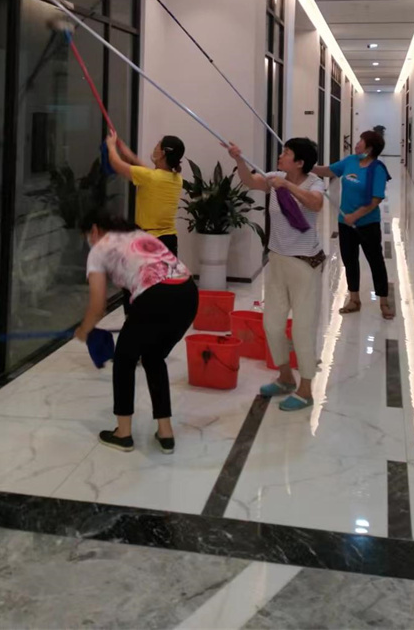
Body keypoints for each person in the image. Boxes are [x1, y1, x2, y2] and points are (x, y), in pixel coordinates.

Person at [74, 212, 198, 453]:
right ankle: (165, 433)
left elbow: (98, 306)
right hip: (188, 295)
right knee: (153, 357)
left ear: (95, 230)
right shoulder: (139, 236)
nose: (89, 242)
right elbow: (140, 281)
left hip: (156, 297)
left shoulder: (99, 249)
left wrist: (84, 330)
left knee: (124, 359)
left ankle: (123, 434)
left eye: (88, 236)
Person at [224, 137, 326, 412]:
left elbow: (316, 204)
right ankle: (285, 378)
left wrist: (287, 186)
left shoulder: (314, 183)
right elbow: (250, 181)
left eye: (286, 153)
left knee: (303, 329)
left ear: (300, 162)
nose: (281, 156)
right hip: (278, 261)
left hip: (305, 264)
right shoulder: (274, 177)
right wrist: (239, 159)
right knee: (272, 324)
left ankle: (306, 390)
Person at [315, 130, 394, 319]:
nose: (357, 143)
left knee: (375, 261)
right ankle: (354, 299)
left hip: (368, 224)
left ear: (370, 148)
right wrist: (307, 166)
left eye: (361, 141)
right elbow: (328, 170)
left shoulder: (377, 169)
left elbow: (376, 199)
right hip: (345, 223)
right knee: (349, 260)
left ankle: (384, 301)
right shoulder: (350, 161)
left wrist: (356, 215)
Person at [105, 131, 184, 257]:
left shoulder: (150, 177)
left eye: (158, 145)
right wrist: (128, 153)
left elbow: (116, 163)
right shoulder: (177, 179)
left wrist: (111, 146)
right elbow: (146, 170)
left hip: (150, 241)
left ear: (163, 153)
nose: (155, 147)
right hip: (169, 240)